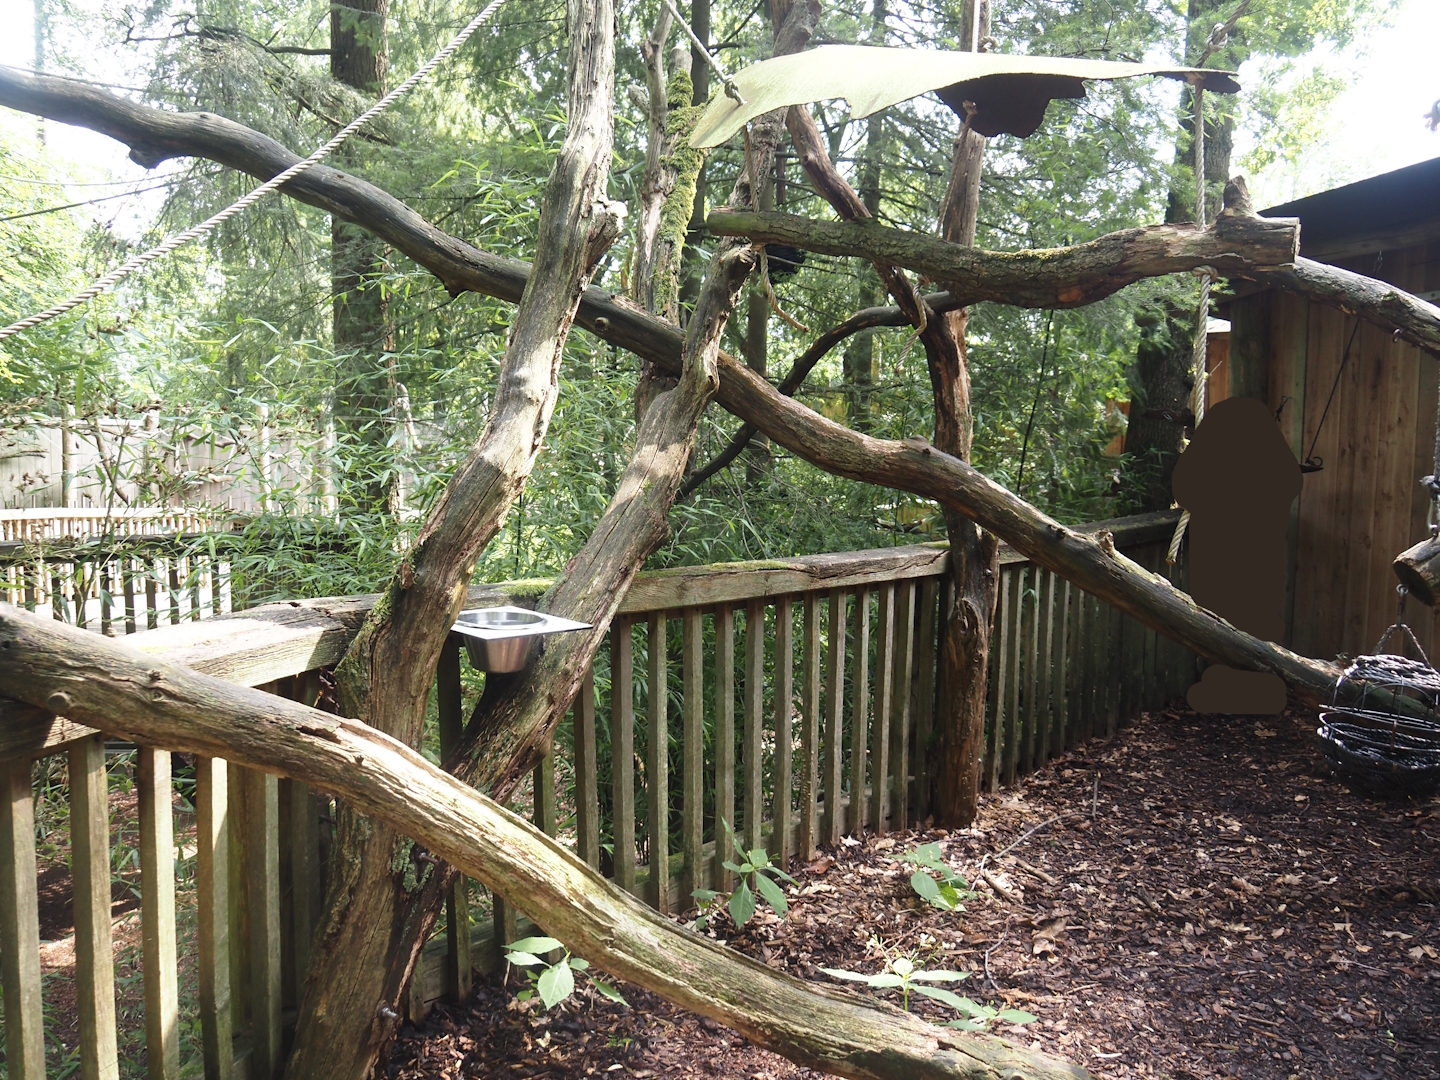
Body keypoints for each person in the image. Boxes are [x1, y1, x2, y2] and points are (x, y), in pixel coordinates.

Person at [1171, 395, 1301, 714]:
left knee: (1227, 617)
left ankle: (1237, 685)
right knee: (1251, 617)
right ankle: (1253, 685)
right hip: (1258, 562)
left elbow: (1185, 488)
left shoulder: (1221, 454)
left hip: (1228, 560)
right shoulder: (1270, 458)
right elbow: (1291, 481)